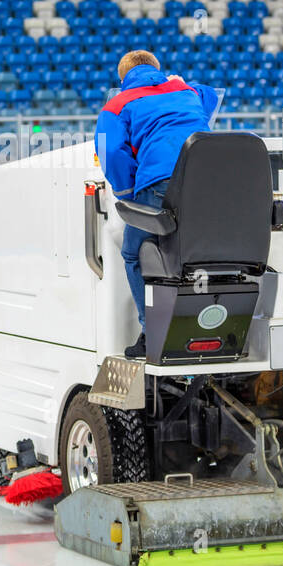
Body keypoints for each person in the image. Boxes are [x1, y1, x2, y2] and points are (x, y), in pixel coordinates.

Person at [94, 50, 221, 357]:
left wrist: (126, 194)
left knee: (134, 252)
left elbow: (109, 151)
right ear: (159, 69)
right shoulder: (186, 90)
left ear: (123, 78)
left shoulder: (117, 104)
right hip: (207, 181)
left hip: (160, 184)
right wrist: (176, 81)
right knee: (197, 251)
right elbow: (211, 96)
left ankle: (153, 335)